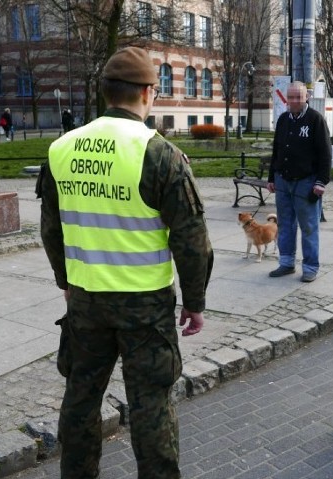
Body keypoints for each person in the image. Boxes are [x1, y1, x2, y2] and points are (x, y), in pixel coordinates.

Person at [39, 46, 214, 479]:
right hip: (145, 308)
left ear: (106, 92)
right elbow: (192, 241)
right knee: (151, 404)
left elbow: (50, 230)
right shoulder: (159, 154)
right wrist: (194, 303)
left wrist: (66, 280)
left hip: (85, 302)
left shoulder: (61, 150)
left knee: (80, 399)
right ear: (148, 92)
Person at [266, 81, 332, 283]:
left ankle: (310, 267)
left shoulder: (315, 120)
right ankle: (286, 263)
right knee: (285, 224)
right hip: (283, 180)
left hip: (307, 181)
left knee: (309, 226)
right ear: (286, 98)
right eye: (291, 97)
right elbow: (276, 150)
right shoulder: (284, 119)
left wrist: (321, 182)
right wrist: (271, 177)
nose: (294, 101)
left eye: (299, 97)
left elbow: (325, 153)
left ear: (306, 98)